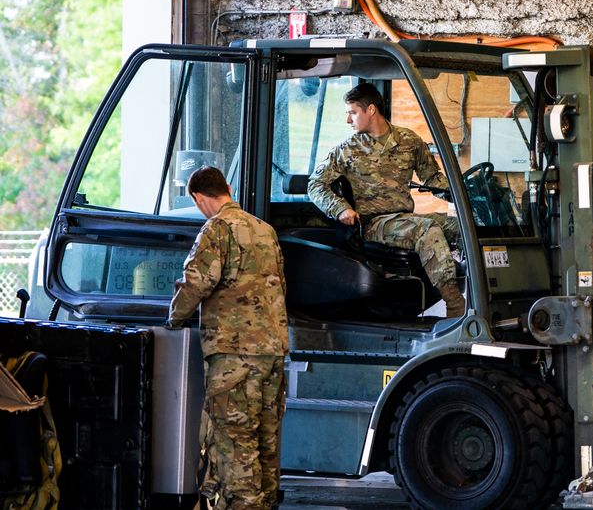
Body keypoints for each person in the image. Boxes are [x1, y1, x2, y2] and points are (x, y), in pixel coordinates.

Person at [166, 166, 289, 510]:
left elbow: (196, 283)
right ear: (229, 188)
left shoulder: (216, 229)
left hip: (235, 356)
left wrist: (174, 319)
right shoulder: (266, 231)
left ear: (199, 198)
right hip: (273, 352)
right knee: (266, 445)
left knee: (236, 446)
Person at [307, 82, 466, 317]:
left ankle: (483, 295)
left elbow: (432, 178)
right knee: (427, 229)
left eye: (352, 113)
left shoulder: (409, 141)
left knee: (463, 228)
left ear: (371, 110)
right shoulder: (346, 150)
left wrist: (463, 196)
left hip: (403, 219)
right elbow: (315, 184)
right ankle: (455, 306)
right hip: (374, 224)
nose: (348, 121)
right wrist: (340, 208)